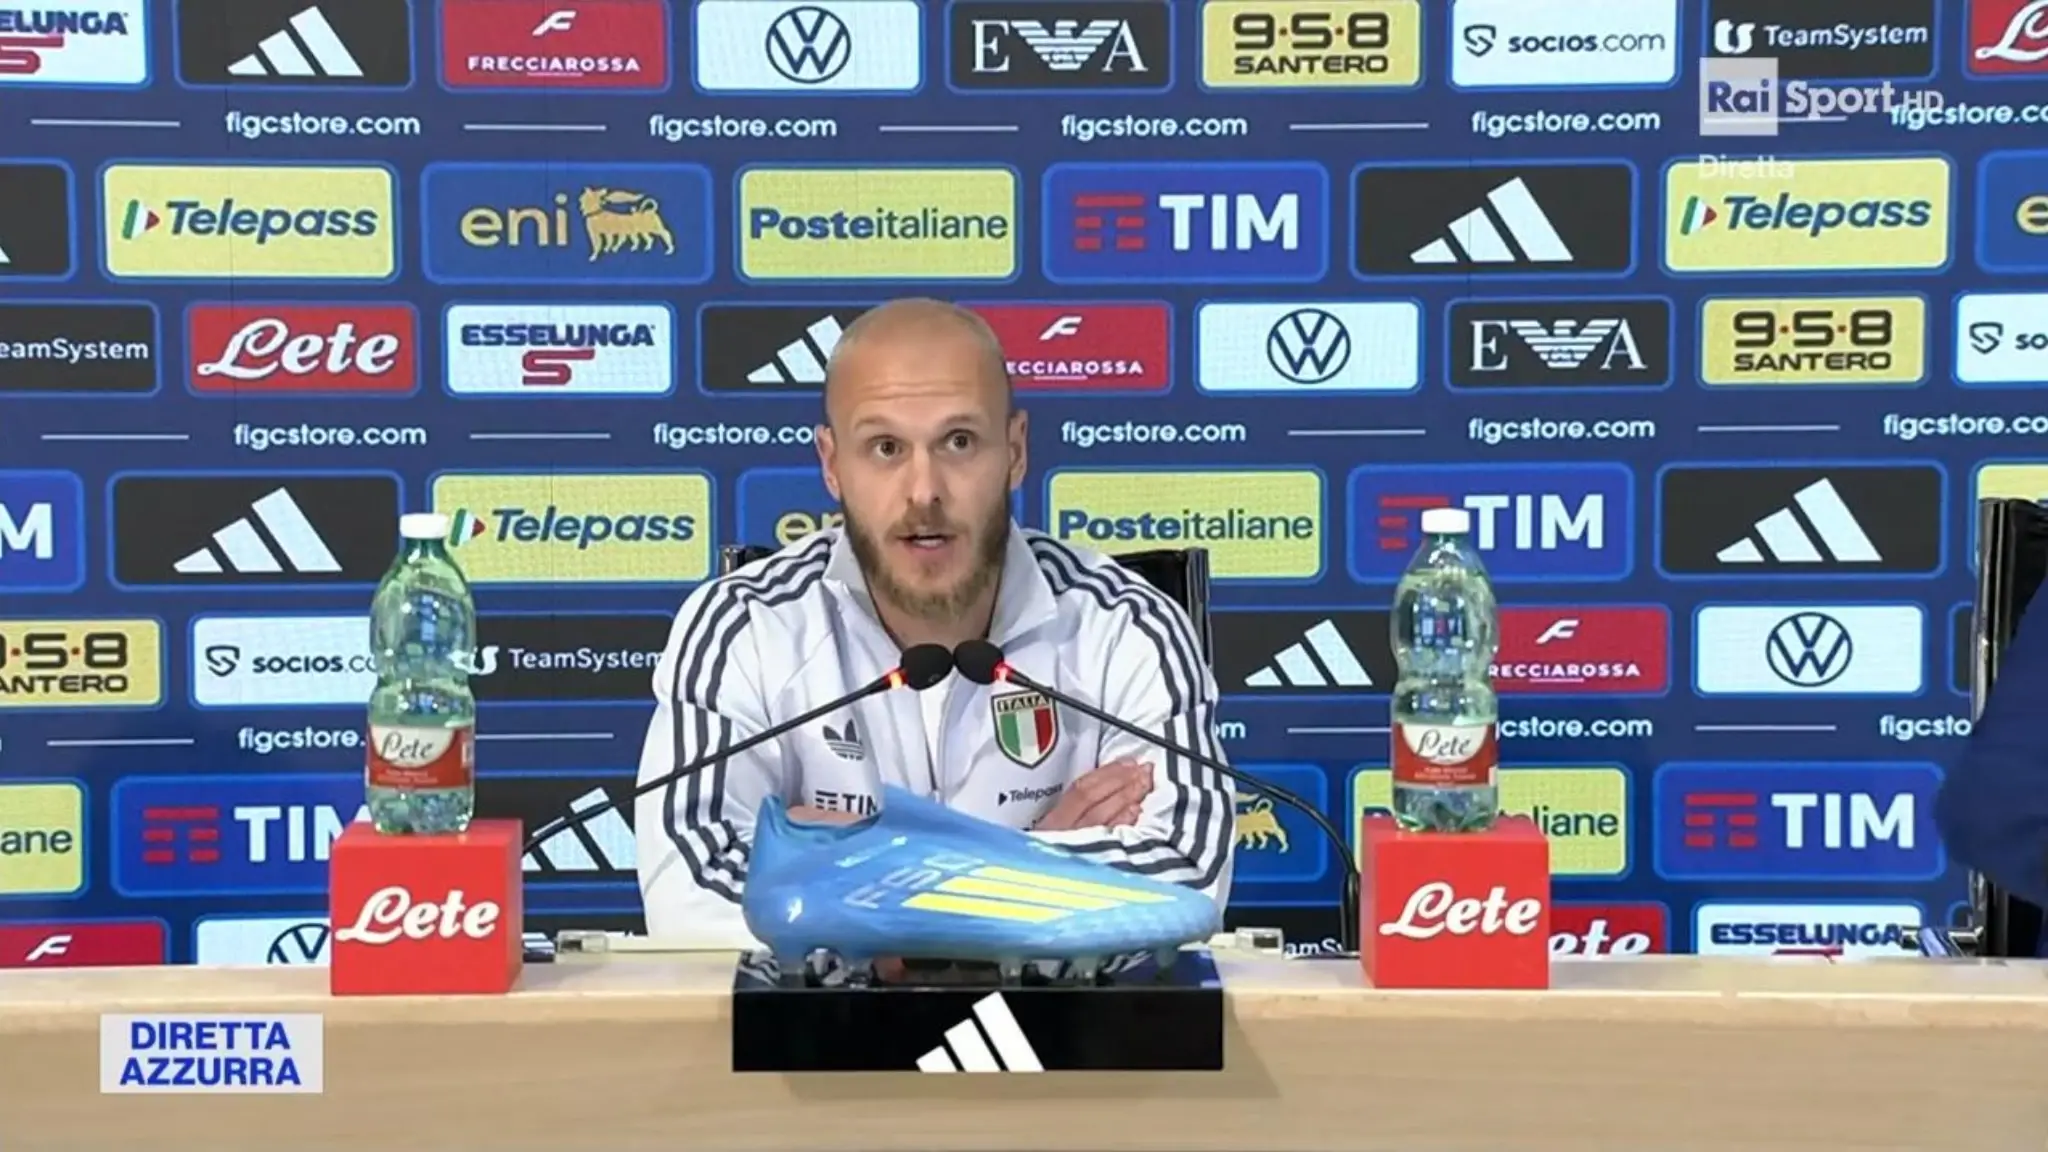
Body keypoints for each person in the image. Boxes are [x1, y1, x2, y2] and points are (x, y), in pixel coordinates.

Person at [634, 297, 1235, 942]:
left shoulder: (1125, 624)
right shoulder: (745, 625)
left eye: (959, 442)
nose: (924, 491)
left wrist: (855, 871)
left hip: (1060, 1018)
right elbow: (692, 896)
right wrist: (1036, 863)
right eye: (885, 447)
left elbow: (1183, 877)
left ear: (1015, 450)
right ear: (833, 466)